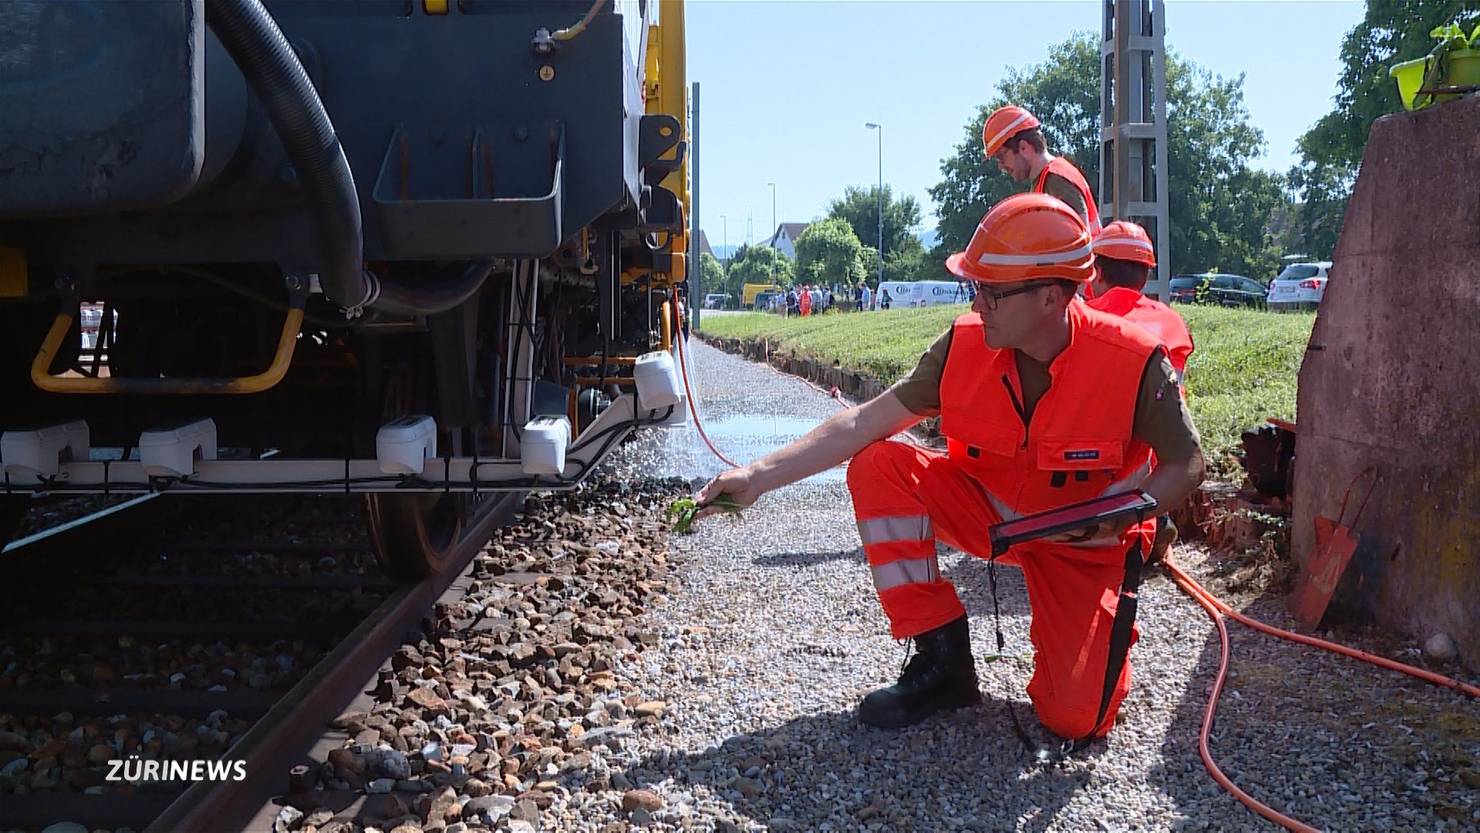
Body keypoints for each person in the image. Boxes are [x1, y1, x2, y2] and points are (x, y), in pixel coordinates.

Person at [696, 193, 1204, 740]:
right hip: (987, 518)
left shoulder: (1132, 359)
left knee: (1074, 721)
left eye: (992, 291)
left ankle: (1078, 652)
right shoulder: (964, 346)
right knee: (880, 465)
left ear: (1052, 296)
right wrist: (756, 477)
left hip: (1084, 547)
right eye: (975, 286)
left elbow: (1187, 463)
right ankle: (944, 664)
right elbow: (859, 425)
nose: (977, 302)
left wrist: (1127, 516)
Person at [1085, 219, 1196, 562]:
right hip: (1142, 464)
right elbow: (1172, 406)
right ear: (1145, 277)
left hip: (1078, 463)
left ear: (1096, 271)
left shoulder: (1080, 319)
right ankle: (1151, 526)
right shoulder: (1171, 324)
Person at [982, 105, 1101, 234]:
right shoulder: (1045, 180)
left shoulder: (1056, 179)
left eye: (1001, 156)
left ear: (1024, 148)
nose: (1001, 166)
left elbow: (1078, 244)